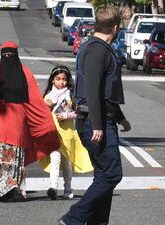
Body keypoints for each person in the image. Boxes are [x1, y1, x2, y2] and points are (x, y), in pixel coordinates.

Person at [59, 6, 131, 225]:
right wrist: (98, 125)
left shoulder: (94, 48)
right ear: (116, 28)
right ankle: (73, 218)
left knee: (103, 176)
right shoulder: (97, 50)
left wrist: (120, 118)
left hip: (98, 118)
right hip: (94, 121)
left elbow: (104, 93)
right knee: (111, 174)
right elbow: (92, 89)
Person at [0, 41, 60, 202]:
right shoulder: (25, 73)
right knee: (16, 157)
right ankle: (15, 189)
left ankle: (2, 190)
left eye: (9, 54)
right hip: (17, 124)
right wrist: (45, 121)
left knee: (0, 158)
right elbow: (35, 102)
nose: (7, 57)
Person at [39, 66, 93, 201]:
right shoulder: (47, 95)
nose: (61, 82)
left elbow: (77, 113)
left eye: (64, 79)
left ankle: (68, 188)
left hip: (68, 133)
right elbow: (41, 114)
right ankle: (53, 187)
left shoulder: (70, 94)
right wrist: (47, 106)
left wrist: (64, 115)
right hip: (53, 132)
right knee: (55, 159)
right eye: (58, 79)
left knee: (67, 162)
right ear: (52, 80)